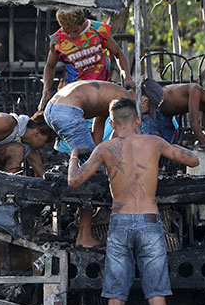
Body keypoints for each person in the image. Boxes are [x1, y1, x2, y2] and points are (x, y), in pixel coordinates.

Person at [67, 97, 199, 305]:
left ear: (112, 124)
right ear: (139, 120)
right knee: (157, 295)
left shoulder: (105, 148)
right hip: (150, 223)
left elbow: (74, 181)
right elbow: (193, 159)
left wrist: (73, 156)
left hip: (120, 223)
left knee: (116, 297)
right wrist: (167, 147)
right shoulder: (154, 142)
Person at [44, 79, 164, 248]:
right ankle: (84, 236)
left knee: (95, 165)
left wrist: (99, 153)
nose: (143, 115)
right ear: (144, 101)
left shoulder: (115, 96)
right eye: (146, 110)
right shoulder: (126, 103)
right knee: (92, 174)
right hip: (68, 111)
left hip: (55, 109)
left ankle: (84, 227)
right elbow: (121, 140)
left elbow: (100, 120)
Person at [39, 8, 133, 110]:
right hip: (71, 94)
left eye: (75, 31)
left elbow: (118, 53)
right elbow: (50, 66)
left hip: (100, 90)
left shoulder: (99, 30)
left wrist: (127, 76)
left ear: (83, 22)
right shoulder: (57, 40)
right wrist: (46, 91)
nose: (72, 35)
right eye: (67, 32)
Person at [0, 111, 55, 175]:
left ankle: (6, 189)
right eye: (46, 141)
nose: (45, 146)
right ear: (37, 133)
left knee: (17, 150)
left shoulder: (25, 142)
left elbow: (40, 170)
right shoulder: (7, 122)